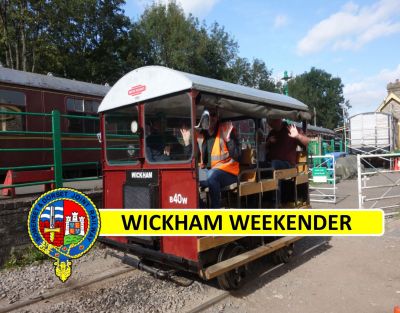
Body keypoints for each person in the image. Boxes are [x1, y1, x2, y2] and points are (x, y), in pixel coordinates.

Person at [197, 108, 240, 208]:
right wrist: (186, 143)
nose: (211, 117)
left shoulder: (226, 130)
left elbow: (237, 155)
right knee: (190, 178)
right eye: (208, 115)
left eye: (213, 115)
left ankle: (215, 210)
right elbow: (194, 156)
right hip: (207, 171)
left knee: (212, 176)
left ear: (217, 117)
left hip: (229, 172)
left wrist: (228, 139)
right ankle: (202, 208)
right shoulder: (200, 134)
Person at [265, 118, 310, 205]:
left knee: (274, 165)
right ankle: (256, 203)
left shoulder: (291, 129)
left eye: (271, 121)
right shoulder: (272, 132)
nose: (269, 124)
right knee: (257, 166)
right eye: (268, 122)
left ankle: (276, 203)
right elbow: (265, 148)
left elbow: (307, 142)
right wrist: (268, 142)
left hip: (288, 164)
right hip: (271, 163)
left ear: (279, 119)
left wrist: (297, 136)